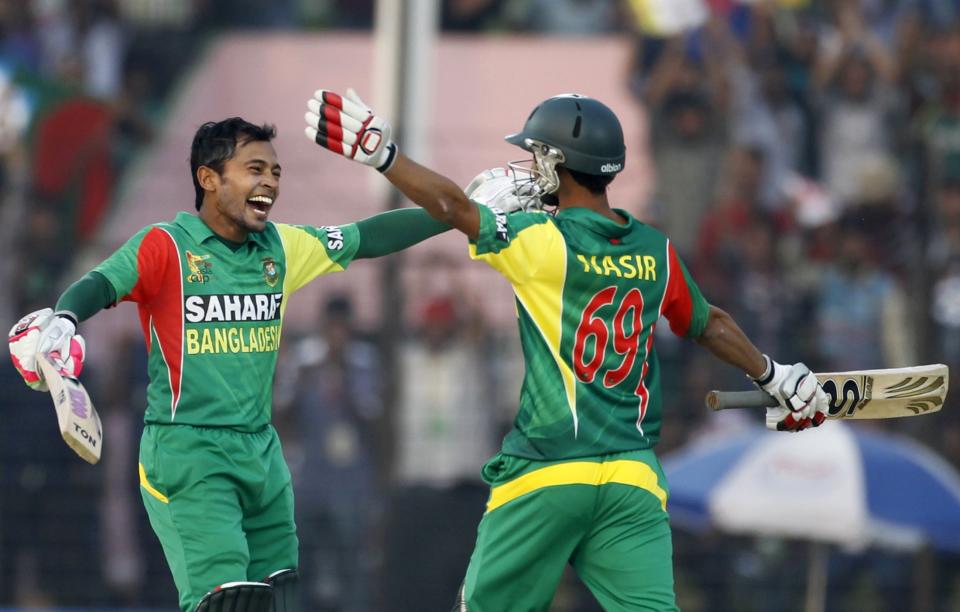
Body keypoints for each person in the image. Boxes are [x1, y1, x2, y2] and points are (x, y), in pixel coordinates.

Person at [305, 88, 830, 610]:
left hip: (547, 470)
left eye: (537, 155)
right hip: (632, 476)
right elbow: (709, 323)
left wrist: (384, 155)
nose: (530, 167)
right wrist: (774, 375)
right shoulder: (655, 248)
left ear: (558, 164)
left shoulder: (538, 240)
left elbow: (449, 207)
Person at [7, 117, 450, 612]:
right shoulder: (166, 246)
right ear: (209, 179)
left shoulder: (281, 249)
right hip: (189, 451)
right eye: (255, 169)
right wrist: (65, 319)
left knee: (276, 601)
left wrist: (460, 212)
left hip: (262, 454)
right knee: (227, 603)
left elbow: (369, 237)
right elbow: (101, 283)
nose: (270, 183)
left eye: (276, 173)